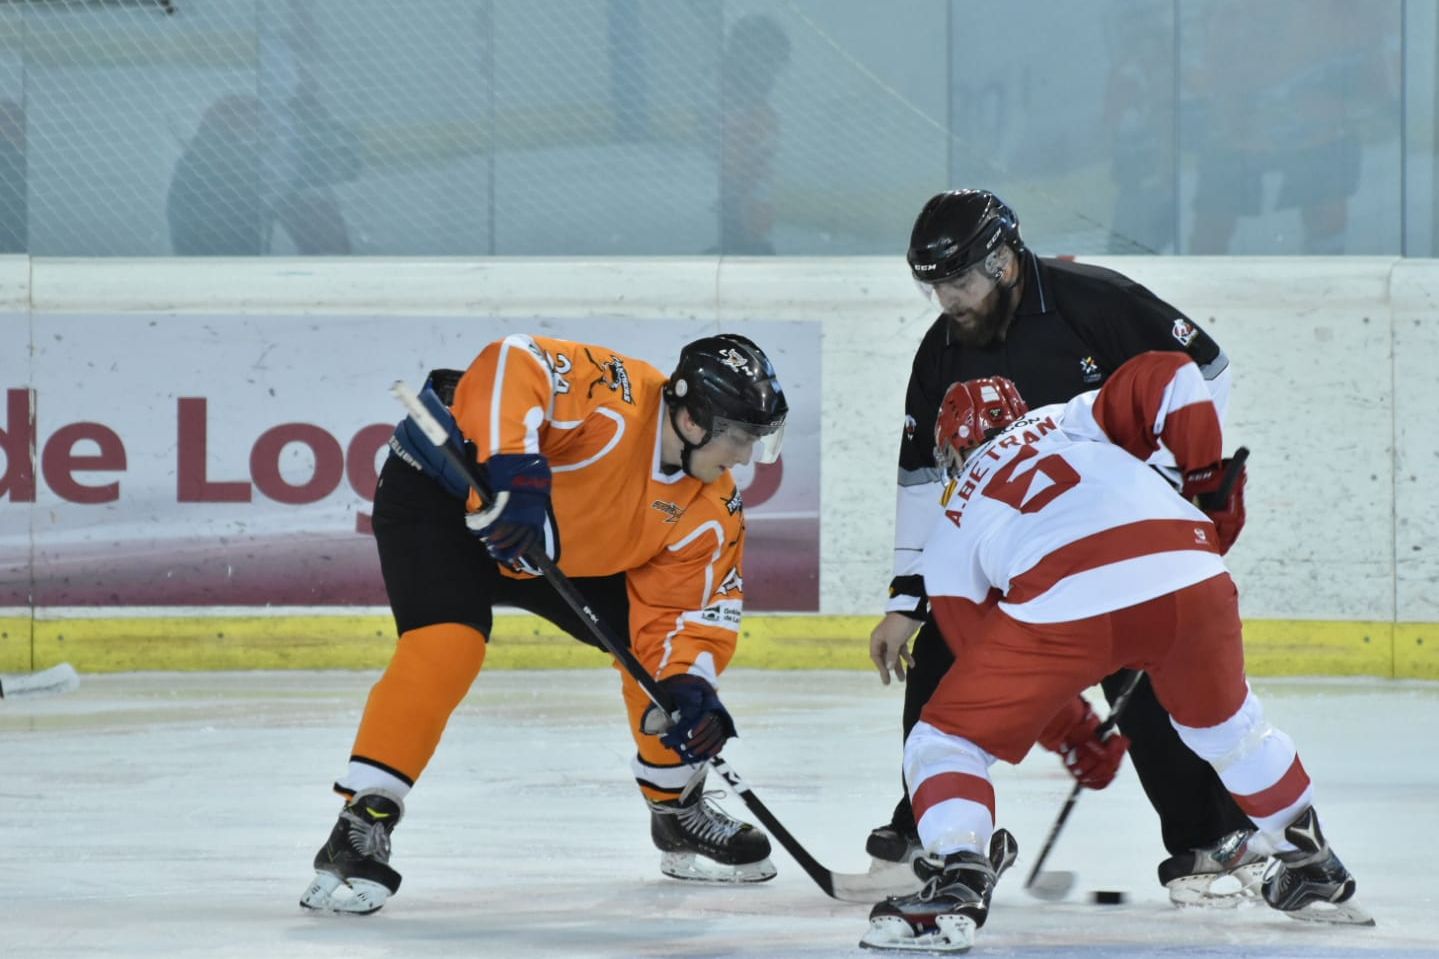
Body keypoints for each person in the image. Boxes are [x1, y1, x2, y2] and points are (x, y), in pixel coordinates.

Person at [859, 353, 1370, 952]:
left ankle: (960, 874)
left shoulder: (952, 516)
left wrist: (1075, 732)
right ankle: (1311, 861)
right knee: (1231, 733)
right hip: (1192, 573)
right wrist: (1204, 482)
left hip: (1068, 599)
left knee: (944, 739)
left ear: (953, 449)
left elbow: (979, 652)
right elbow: (1173, 374)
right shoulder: (1069, 417)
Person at [867, 189, 1266, 906]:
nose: (947, 299)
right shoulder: (942, 349)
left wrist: (1167, 480)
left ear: (1004, 260)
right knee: (941, 661)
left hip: (1107, 534)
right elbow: (923, 478)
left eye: (958, 280)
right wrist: (906, 597)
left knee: (1142, 670)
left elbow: (1204, 368)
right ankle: (931, 831)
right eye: (933, 285)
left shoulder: (1094, 302)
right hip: (1007, 549)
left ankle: (1204, 839)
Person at [299, 332, 789, 914]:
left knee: (659, 673)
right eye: (737, 438)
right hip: (442, 502)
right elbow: (514, 359)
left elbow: (682, 618)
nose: (742, 457)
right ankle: (363, 819)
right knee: (446, 646)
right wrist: (519, 473)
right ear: (689, 416)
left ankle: (675, 808)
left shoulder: (709, 508)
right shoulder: (619, 392)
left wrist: (688, 685)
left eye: (755, 442)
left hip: (554, 547)